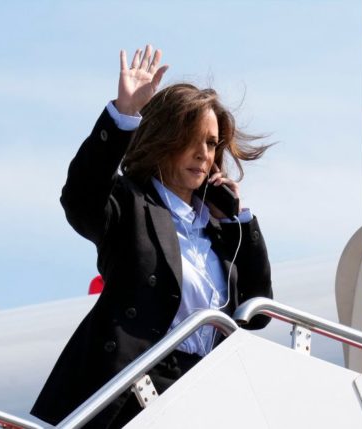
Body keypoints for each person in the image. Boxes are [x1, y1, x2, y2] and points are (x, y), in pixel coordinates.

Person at [31, 45, 273, 428]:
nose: (203, 153)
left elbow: (258, 311)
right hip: (133, 391)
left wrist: (237, 220)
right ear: (164, 138)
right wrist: (123, 115)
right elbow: (80, 199)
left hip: (208, 390)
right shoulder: (131, 204)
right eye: (191, 138)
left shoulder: (220, 230)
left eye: (211, 143)